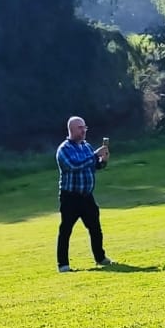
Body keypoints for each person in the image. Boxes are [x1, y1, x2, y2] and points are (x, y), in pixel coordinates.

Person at [56, 115, 112, 272]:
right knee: (66, 230)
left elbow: (93, 166)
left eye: (84, 127)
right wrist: (95, 155)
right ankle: (63, 264)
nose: (83, 130)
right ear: (71, 129)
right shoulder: (64, 149)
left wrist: (103, 161)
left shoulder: (86, 147)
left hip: (87, 196)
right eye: (80, 128)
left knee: (95, 228)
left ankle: (100, 258)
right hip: (70, 197)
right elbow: (74, 165)